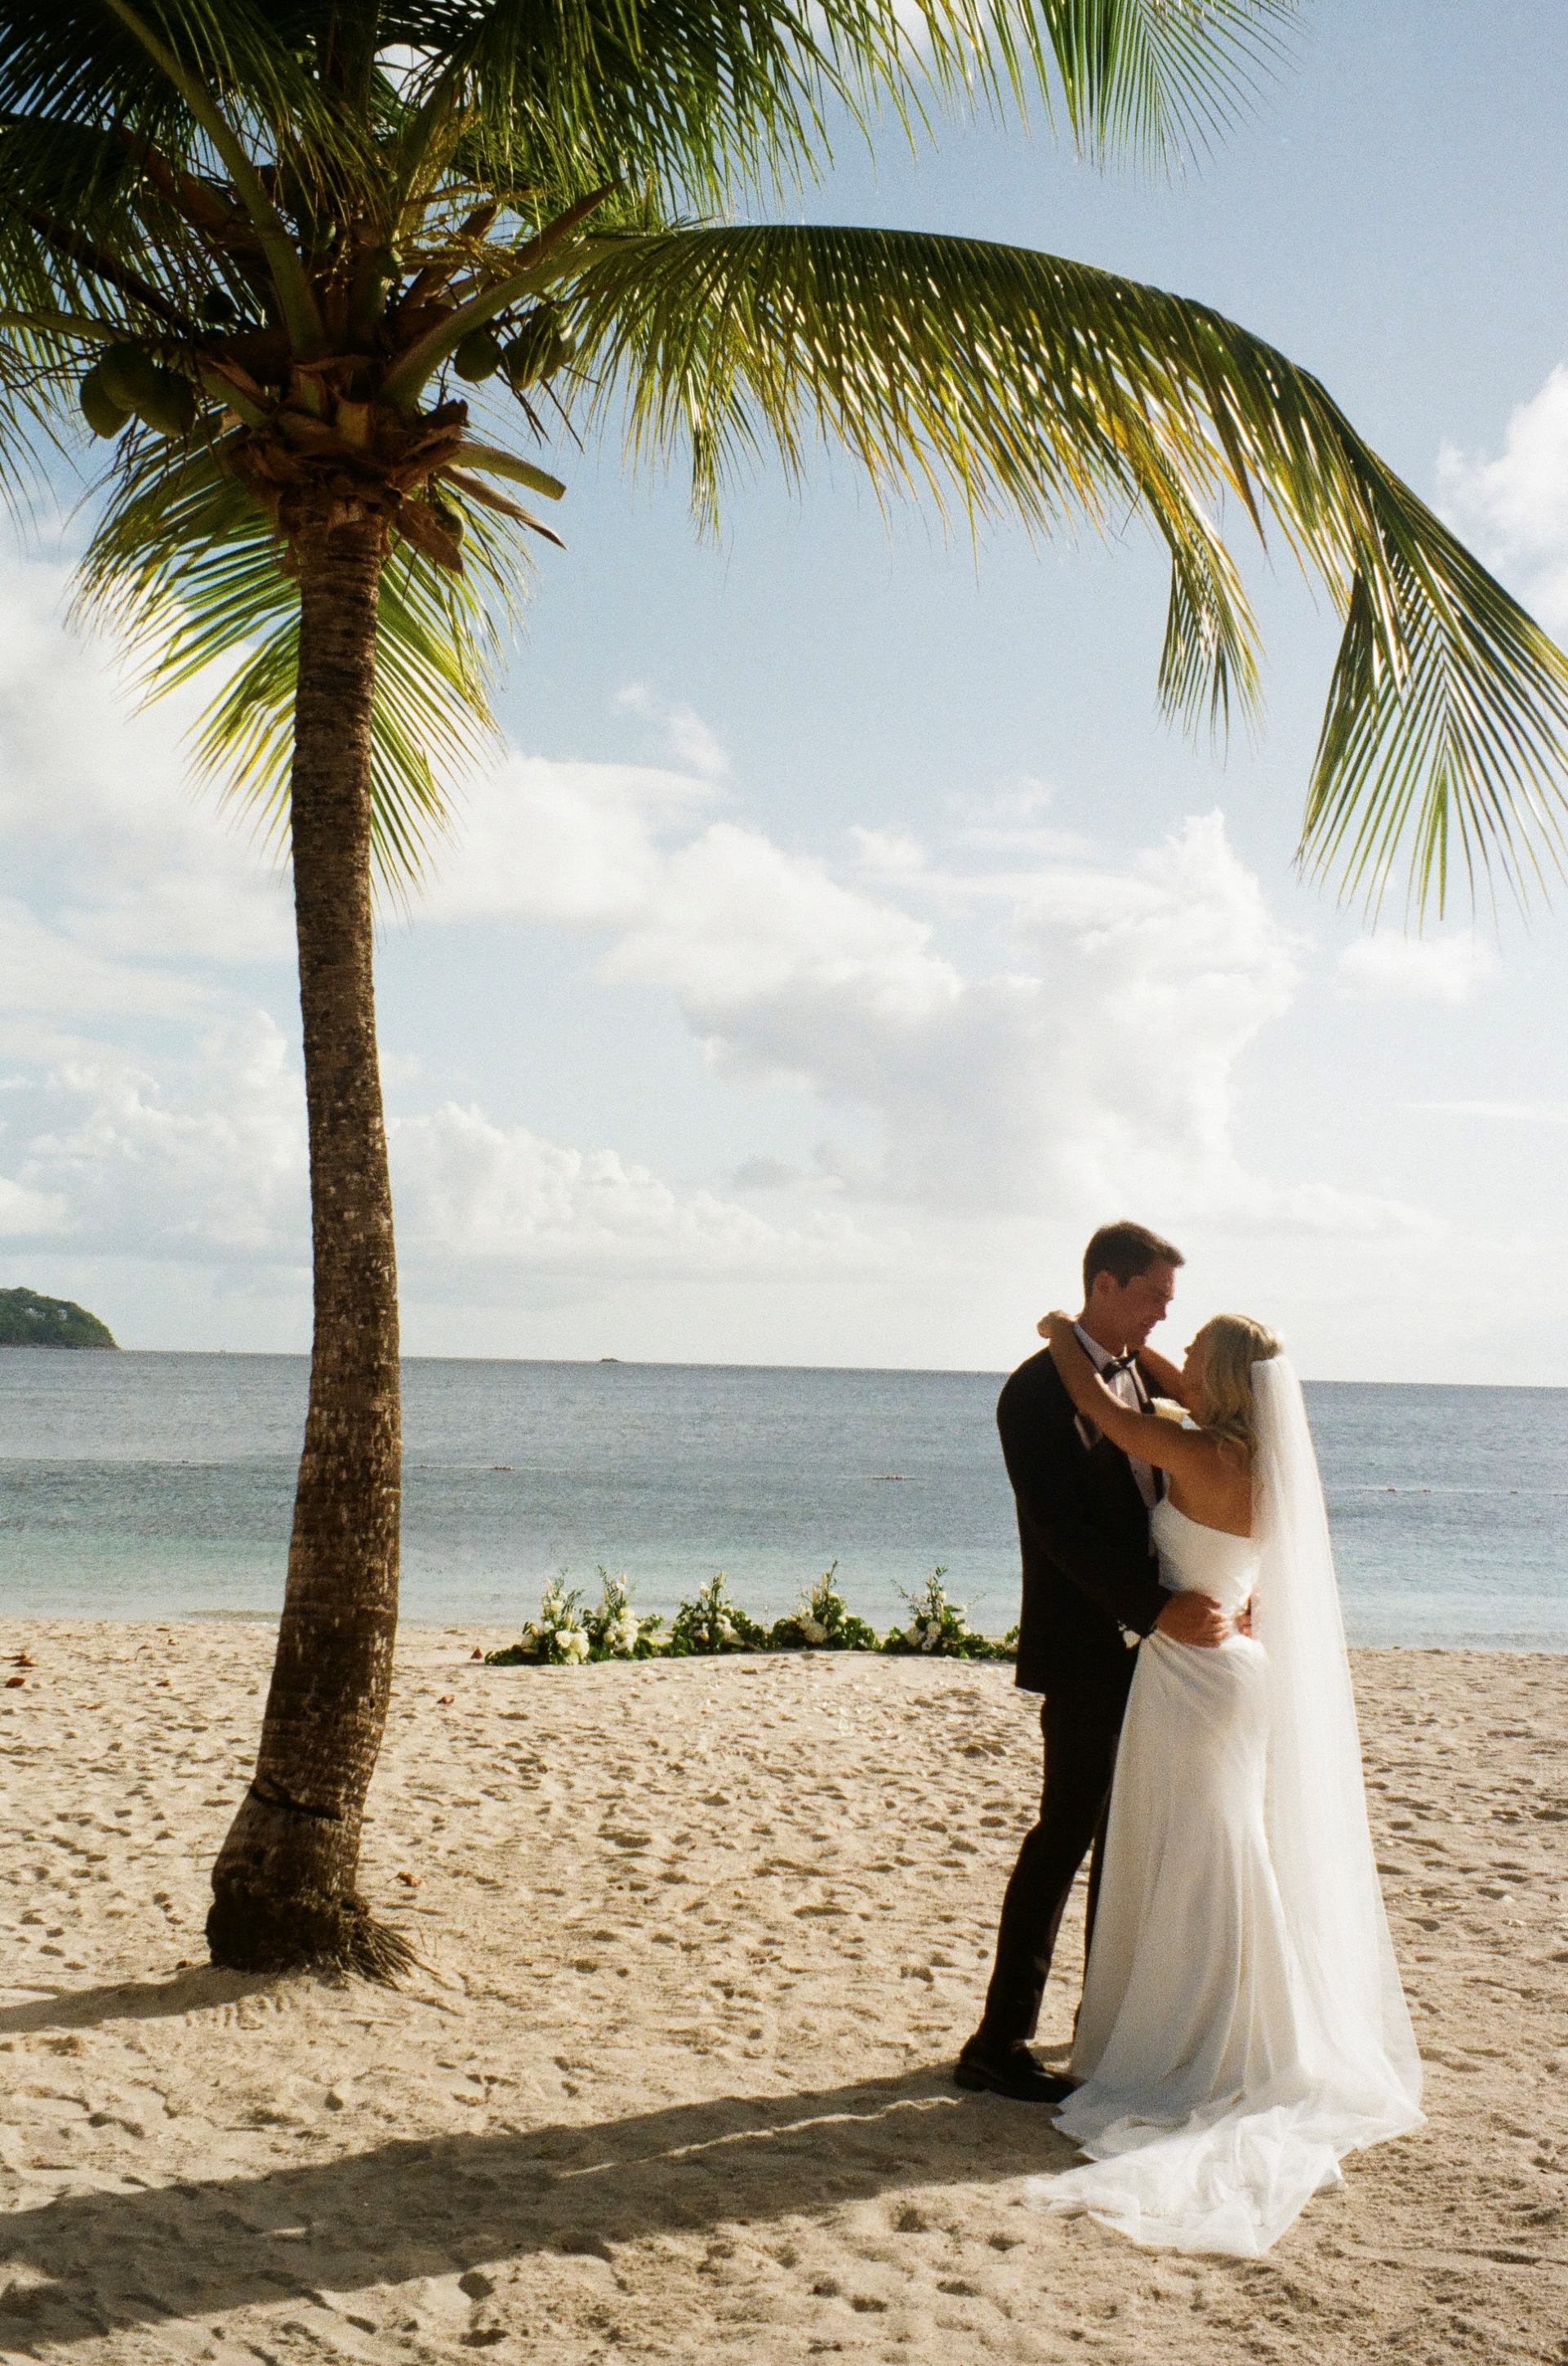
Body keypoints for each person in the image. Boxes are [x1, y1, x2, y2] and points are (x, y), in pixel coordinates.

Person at [1022, 1308, 1423, 2254]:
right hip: (1235, 1670)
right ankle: (1230, 2020)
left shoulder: (1189, 1448)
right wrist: (1152, 1352)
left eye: (1198, 1352)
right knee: (1217, 1842)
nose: (1181, 1358)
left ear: (1226, 1380)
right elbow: (1173, 1381)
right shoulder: (1258, 1460)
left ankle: (1204, 2036)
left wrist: (1060, 1327)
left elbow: (1090, 1396)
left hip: (1193, 1677)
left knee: (1199, 1851)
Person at [956, 1221, 1233, 2105]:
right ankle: (997, 2040)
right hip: (1089, 1648)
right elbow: (1058, 1527)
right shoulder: (1034, 1393)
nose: (1162, 1310)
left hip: (1162, 1650)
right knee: (1064, 1833)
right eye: (1153, 1293)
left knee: (1130, 1841)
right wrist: (1153, 1608)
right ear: (1106, 1284)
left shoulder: (1137, 1376)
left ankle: (1103, 2027)